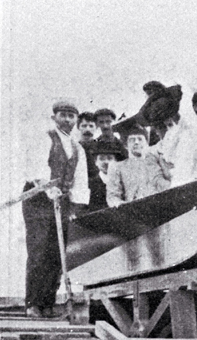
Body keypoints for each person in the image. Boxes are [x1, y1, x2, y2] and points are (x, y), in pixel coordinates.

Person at [23, 100, 90, 318]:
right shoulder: (46, 138)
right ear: (55, 118)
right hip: (38, 200)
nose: (68, 120)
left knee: (57, 253)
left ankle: (47, 303)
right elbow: (36, 170)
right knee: (39, 250)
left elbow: (80, 182)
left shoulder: (77, 147)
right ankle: (33, 303)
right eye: (63, 115)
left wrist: (75, 208)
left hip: (62, 202)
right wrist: (47, 189)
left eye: (72, 116)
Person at [106, 126, 171, 207]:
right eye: (132, 140)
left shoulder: (157, 160)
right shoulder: (117, 167)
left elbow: (171, 180)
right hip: (136, 209)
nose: (136, 142)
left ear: (146, 143)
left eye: (140, 139)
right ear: (126, 145)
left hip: (163, 204)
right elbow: (112, 197)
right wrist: (121, 205)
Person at [88, 140, 127, 211]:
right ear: (96, 162)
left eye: (110, 158)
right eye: (102, 158)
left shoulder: (124, 182)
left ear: (116, 162)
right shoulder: (90, 184)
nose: (106, 162)